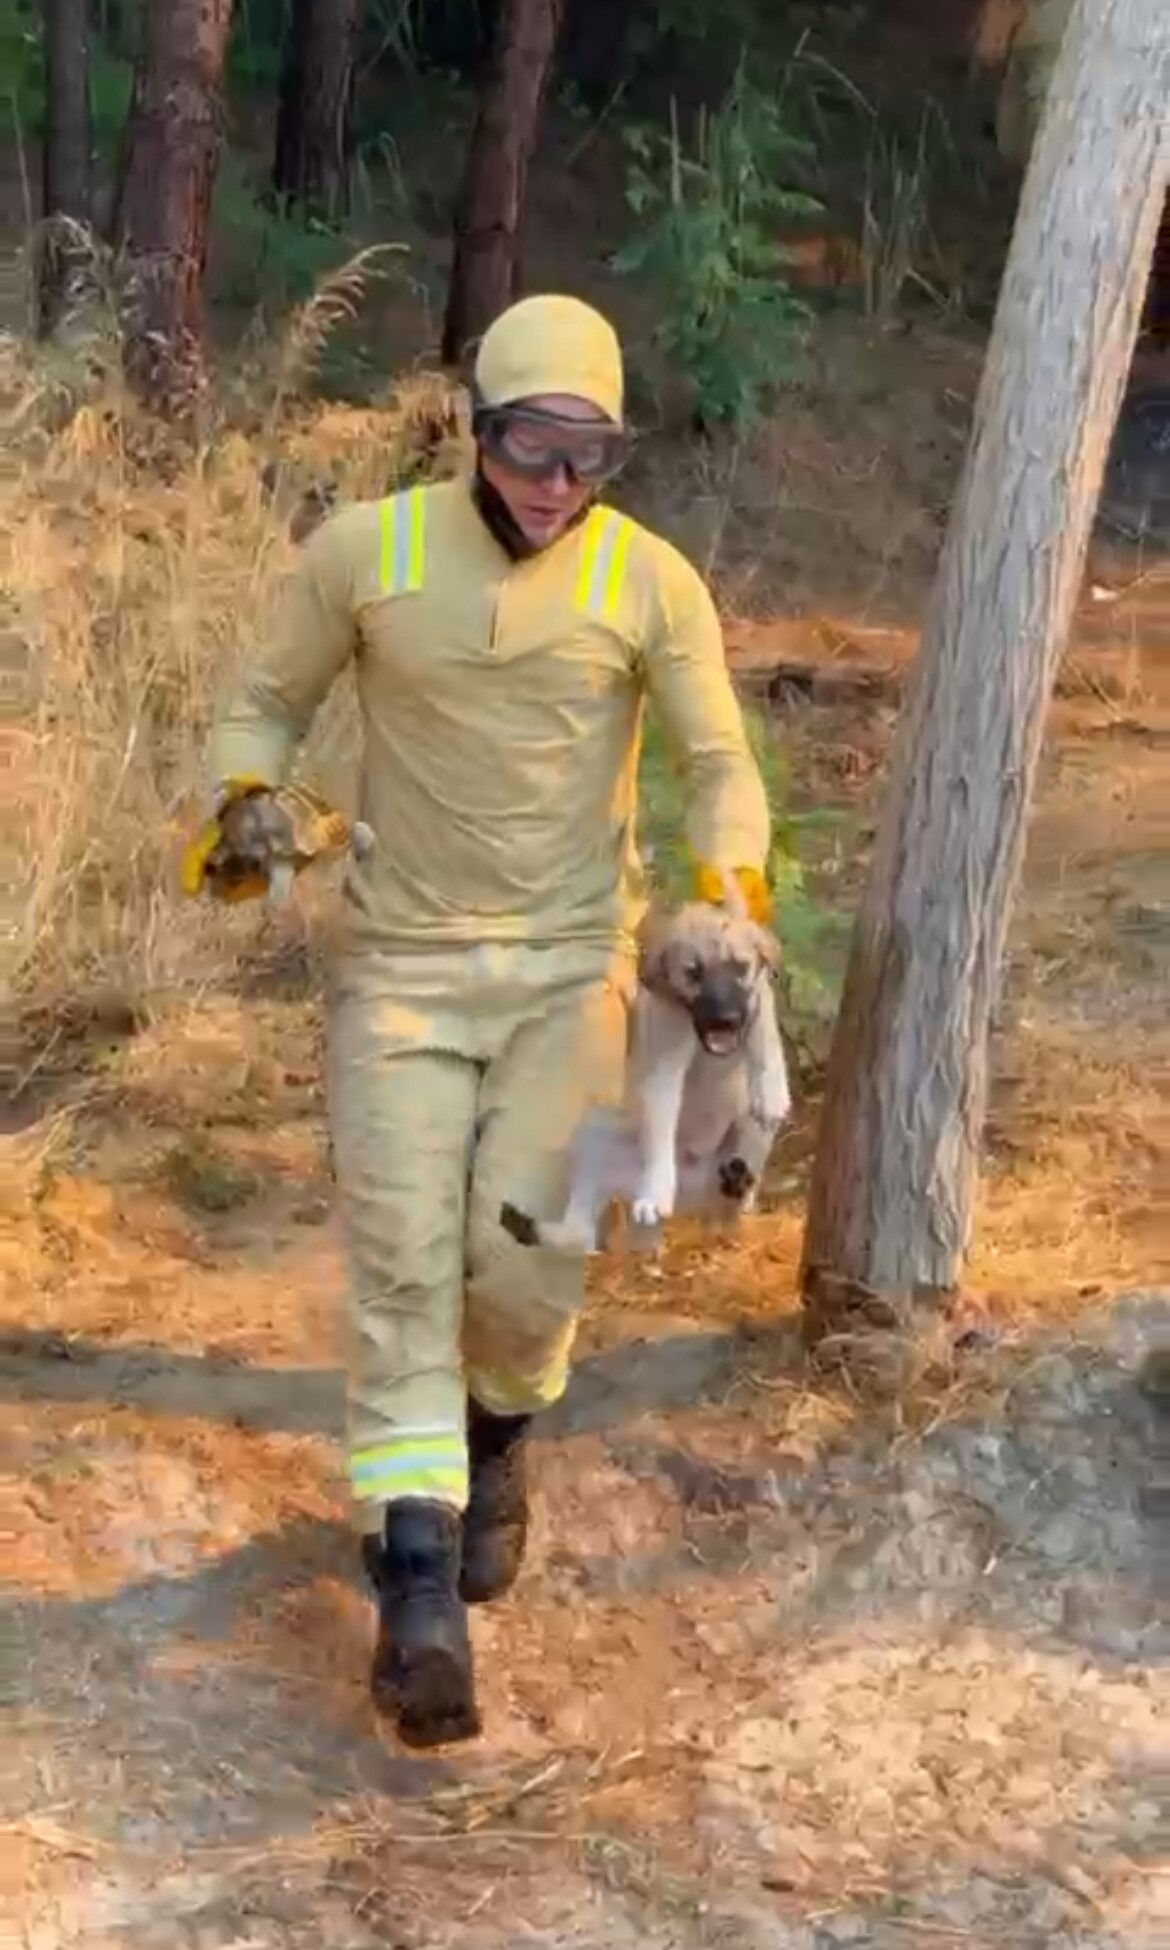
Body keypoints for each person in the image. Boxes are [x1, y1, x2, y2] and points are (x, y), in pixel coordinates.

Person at [188, 293, 771, 1748]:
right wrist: (248, 799)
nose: (555, 482)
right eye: (529, 443)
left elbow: (715, 756)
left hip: (571, 971)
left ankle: (499, 1435)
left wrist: (731, 887)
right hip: (400, 968)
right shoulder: (369, 553)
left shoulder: (650, 583)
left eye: (590, 454)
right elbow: (262, 701)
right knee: (398, 1261)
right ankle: (416, 1584)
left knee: (526, 1258)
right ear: (473, 423)